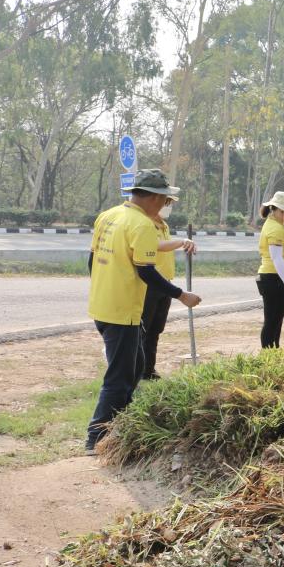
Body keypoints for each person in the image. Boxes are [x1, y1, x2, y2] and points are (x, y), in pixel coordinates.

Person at [85, 169, 202, 451]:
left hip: (103, 305)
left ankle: (121, 426)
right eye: (164, 200)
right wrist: (181, 294)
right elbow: (147, 272)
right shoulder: (141, 225)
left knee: (136, 366)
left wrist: (104, 285)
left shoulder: (108, 216)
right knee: (120, 377)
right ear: (153, 198)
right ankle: (96, 438)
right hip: (122, 310)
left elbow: (91, 260)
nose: (164, 206)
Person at [140, 190, 196, 379]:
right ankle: (137, 371)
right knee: (143, 330)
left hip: (164, 283)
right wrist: (182, 241)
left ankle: (149, 370)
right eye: (167, 202)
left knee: (156, 329)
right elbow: (158, 246)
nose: (168, 207)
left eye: (170, 203)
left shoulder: (162, 224)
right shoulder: (145, 223)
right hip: (149, 283)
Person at [256, 191, 284, 349]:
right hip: (274, 278)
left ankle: (274, 352)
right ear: (279, 211)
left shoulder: (276, 224)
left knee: (276, 320)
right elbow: (277, 258)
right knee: (272, 321)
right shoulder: (275, 229)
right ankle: (268, 355)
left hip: (276, 278)